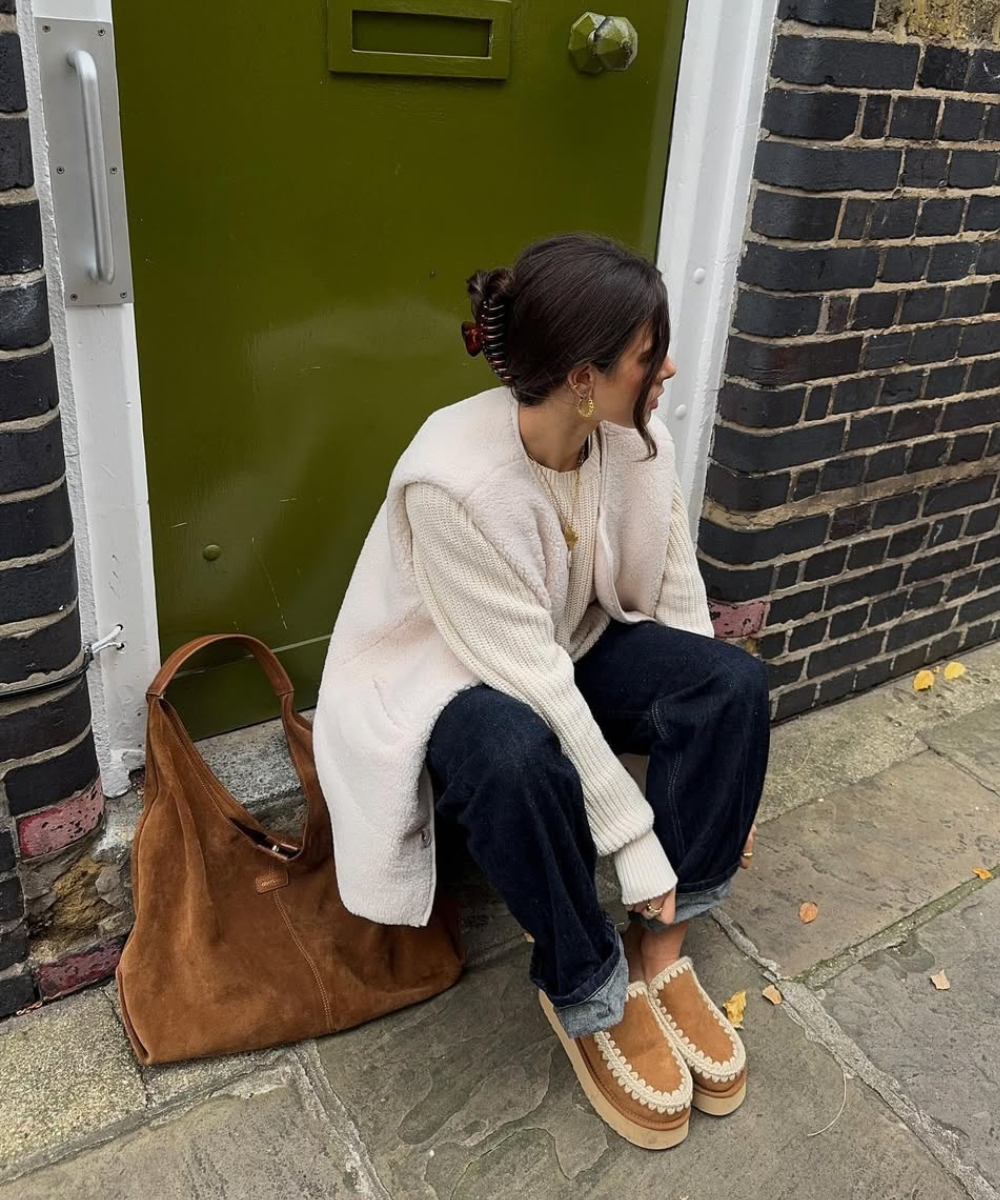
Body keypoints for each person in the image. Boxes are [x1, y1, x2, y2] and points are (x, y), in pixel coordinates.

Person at [314, 233, 769, 1150]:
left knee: (730, 684)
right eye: (650, 355)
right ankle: (589, 984)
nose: (670, 368)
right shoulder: (454, 480)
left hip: (561, 641)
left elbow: (676, 593)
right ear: (581, 376)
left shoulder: (632, 436)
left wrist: (713, 752)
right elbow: (532, 686)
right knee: (513, 755)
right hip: (441, 673)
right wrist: (635, 841)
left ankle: (662, 944)